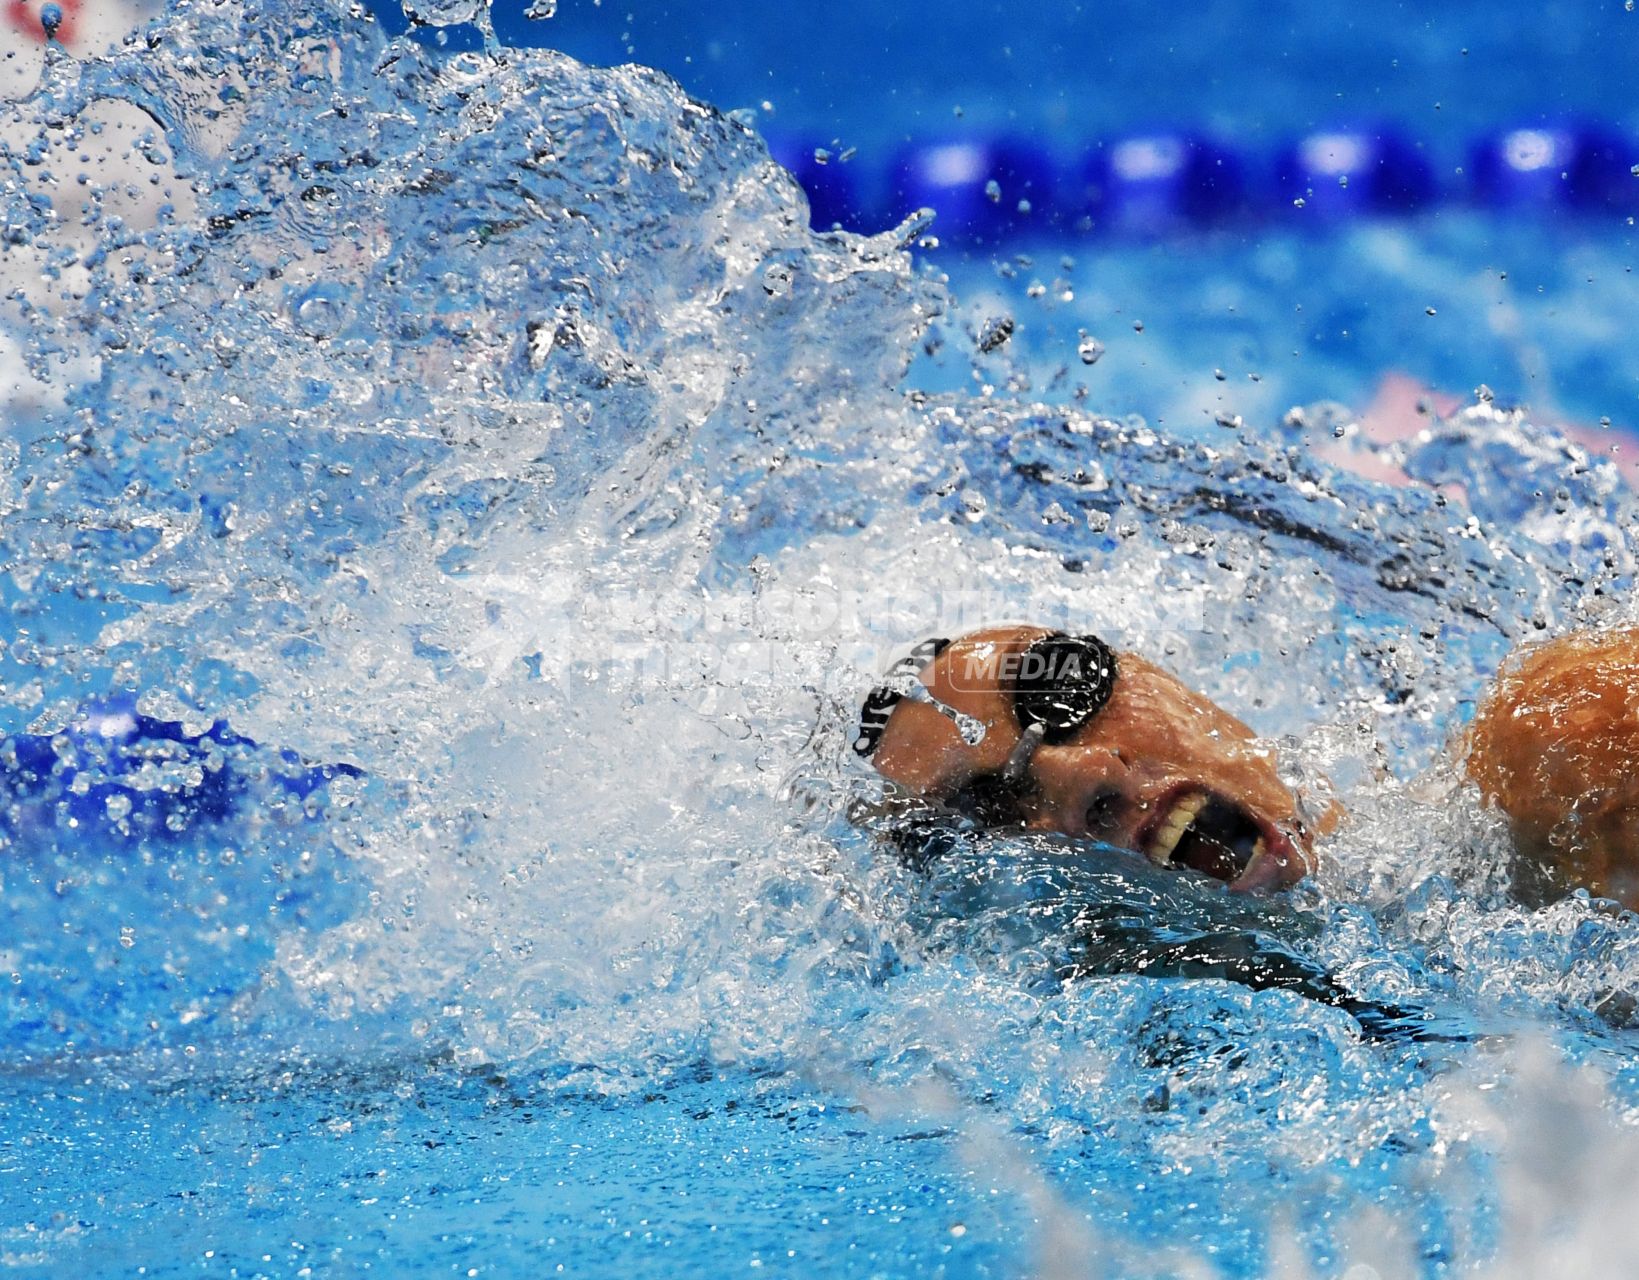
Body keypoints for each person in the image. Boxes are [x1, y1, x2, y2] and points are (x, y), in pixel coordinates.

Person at [855, 622, 1639, 909]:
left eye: (1058, 685)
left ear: (1154, 670)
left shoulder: (1560, 753)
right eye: (986, 806)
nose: (1082, 767)